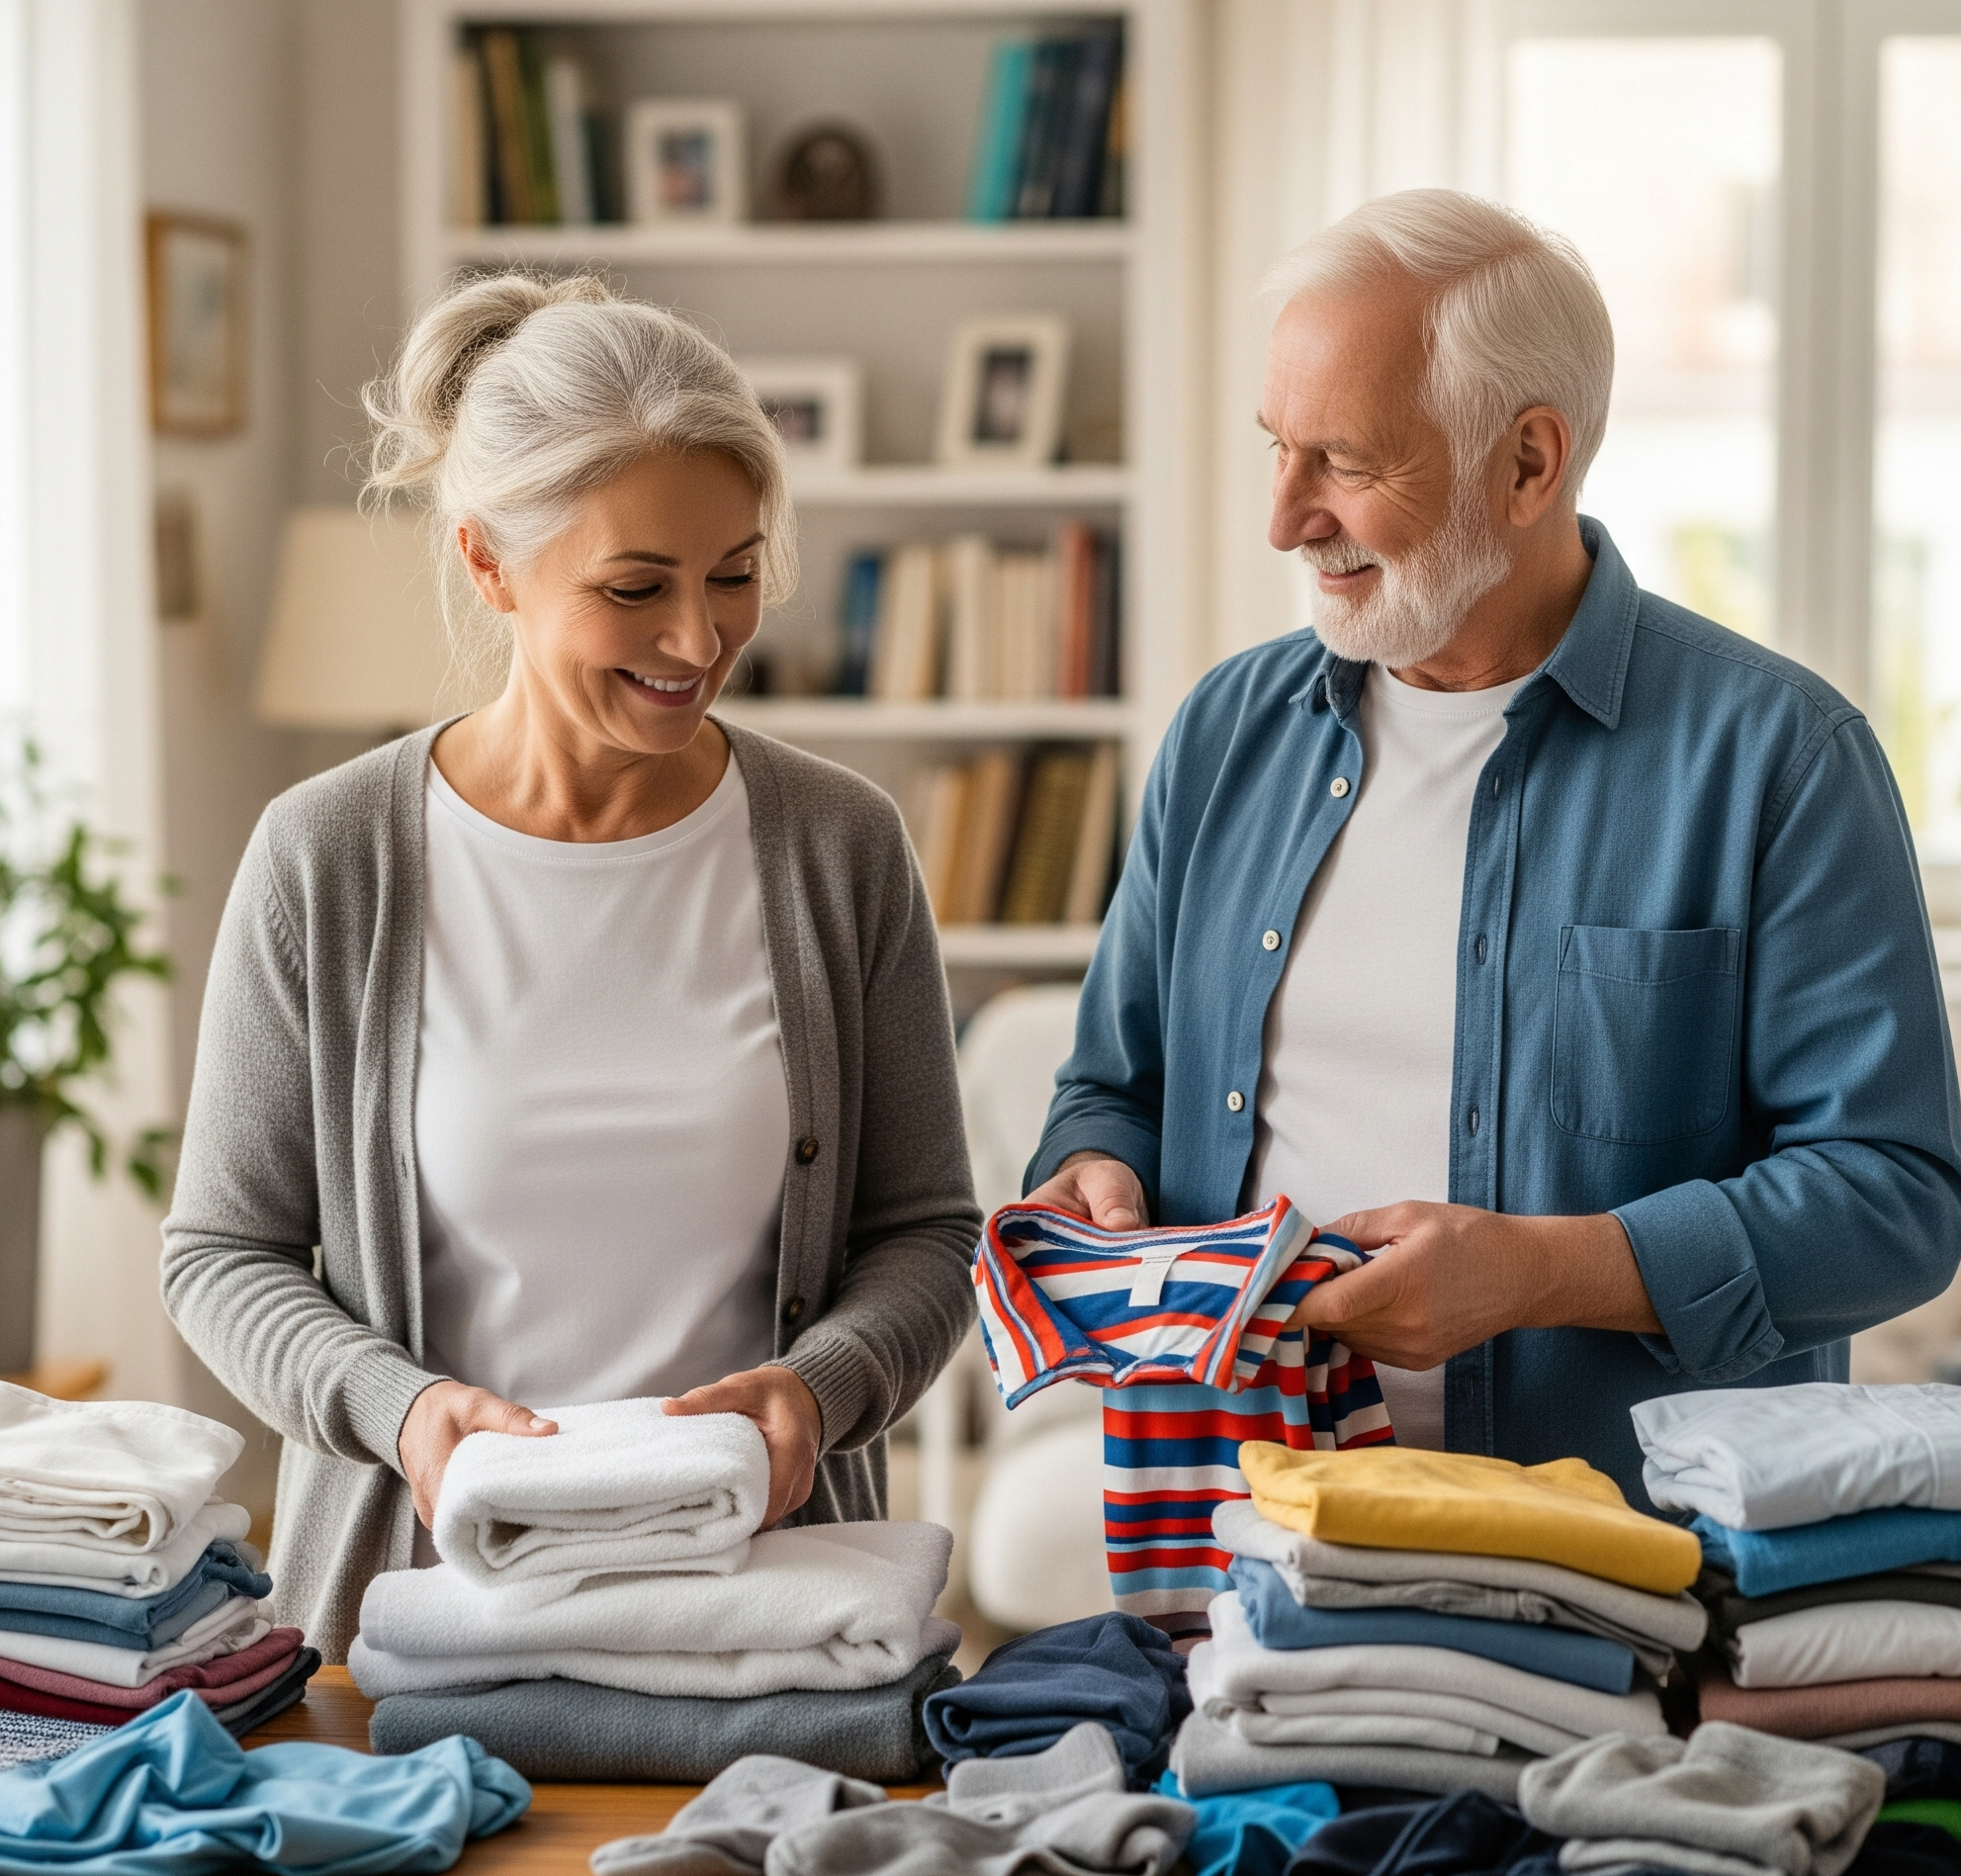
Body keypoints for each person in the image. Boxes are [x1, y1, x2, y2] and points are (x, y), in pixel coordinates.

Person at [1026, 189, 1961, 1523]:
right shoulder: (1224, 732)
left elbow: (1893, 1201)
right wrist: (1092, 1173)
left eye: (1342, 462)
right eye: (1274, 450)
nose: (1285, 519)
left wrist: (1542, 1269)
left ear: (1528, 464)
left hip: (1628, 1557)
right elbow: (1113, 1087)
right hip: (1238, 1527)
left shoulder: (1781, 757)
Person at [161, 273, 980, 1659]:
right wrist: (399, 1410)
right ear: (489, 563)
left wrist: (816, 1389)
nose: (696, 639)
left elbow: (928, 1232)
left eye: (733, 573)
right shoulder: (327, 857)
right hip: (411, 1622)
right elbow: (221, 1254)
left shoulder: (839, 848)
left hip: (771, 1627)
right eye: (633, 588)